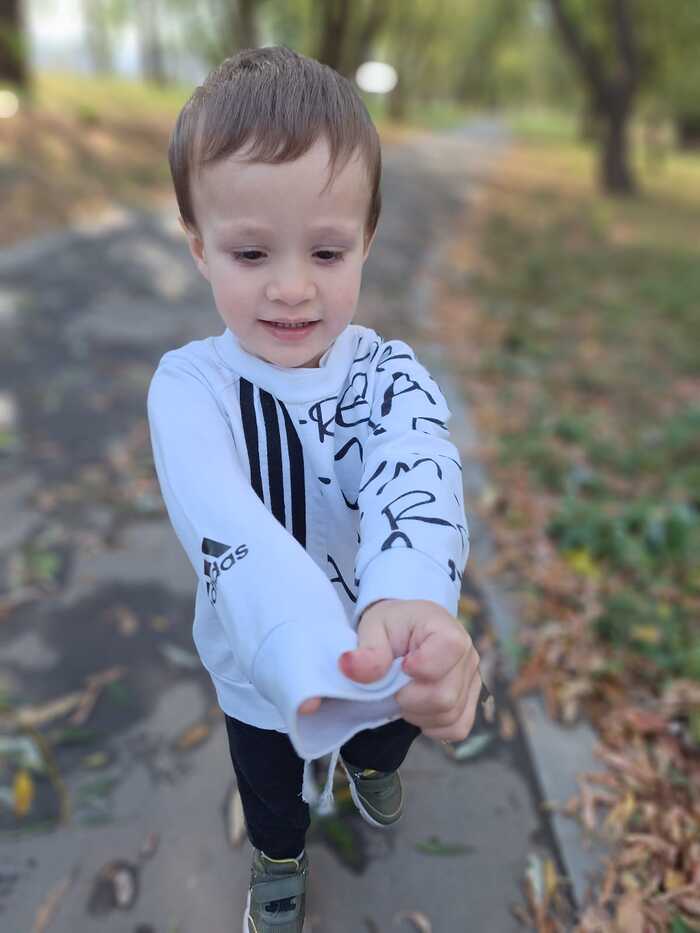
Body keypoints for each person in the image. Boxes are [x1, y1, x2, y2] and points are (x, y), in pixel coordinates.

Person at [146, 45, 485, 933]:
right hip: (258, 670)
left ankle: (372, 763)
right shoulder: (193, 390)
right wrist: (310, 663)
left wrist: (411, 598)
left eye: (327, 251)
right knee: (270, 788)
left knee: (385, 730)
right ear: (199, 246)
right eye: (251, 251)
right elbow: (226, 522)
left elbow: (418, 466)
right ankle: (279, 858)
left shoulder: (390, 374)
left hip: (384, 648)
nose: (292, 287)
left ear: (366, 240)